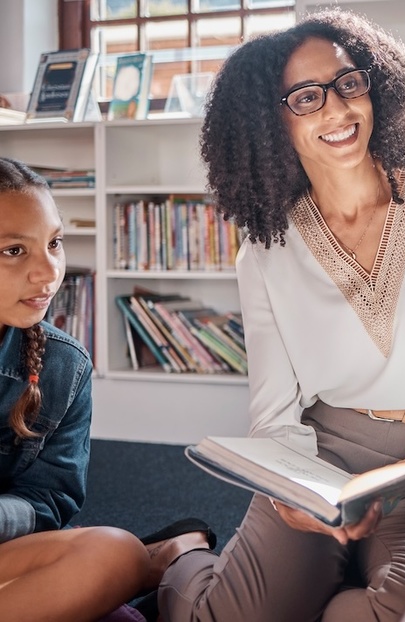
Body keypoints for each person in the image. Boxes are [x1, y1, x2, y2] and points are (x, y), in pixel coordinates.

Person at [156, 8, 405, 622]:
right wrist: (295, 495)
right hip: (322, 455)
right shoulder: (265, 250)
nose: (336, 111)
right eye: (306, 98)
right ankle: (181, 555)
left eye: (348, 83)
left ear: (375, 86)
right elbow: (276, 407)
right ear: (270, 121)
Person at [0, 157, 214, 621]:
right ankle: (167, 560)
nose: (47, 272)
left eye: (54, 243)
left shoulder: (63, 365)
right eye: (14, 251)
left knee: (114, 556)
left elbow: (50, 500)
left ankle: (151, 561)